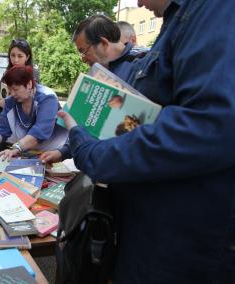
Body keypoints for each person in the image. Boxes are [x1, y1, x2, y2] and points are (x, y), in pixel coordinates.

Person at [58, 0, 235, 282]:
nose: (138, 2)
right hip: (150, 233)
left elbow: (210, 125)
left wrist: (94, 153)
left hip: (181, 248)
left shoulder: (216, 10)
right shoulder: (181, 19)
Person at [40, 14, 144, 164]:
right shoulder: (97, 72)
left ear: (103, 43)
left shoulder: (141, 65)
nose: (83, 58)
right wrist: (62, 152)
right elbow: (86, 125)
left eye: (84, 51)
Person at [0, 65, 67, 161]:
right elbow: (1, 129)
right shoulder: (11, 101)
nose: (12, 94)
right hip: (29, 152)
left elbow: (39, 132)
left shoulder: (47, 97)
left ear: (29, 84)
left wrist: (15, 149)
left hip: (56, 153)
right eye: (10, 90)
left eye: (16, 89)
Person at [0, 38, 40, 119]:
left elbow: (33, 98)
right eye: (12, 55)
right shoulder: (7, 73)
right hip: (4, 120)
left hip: (23, 122)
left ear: (27, 57)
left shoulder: (32, 74)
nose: (15, 60)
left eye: (20, 56)